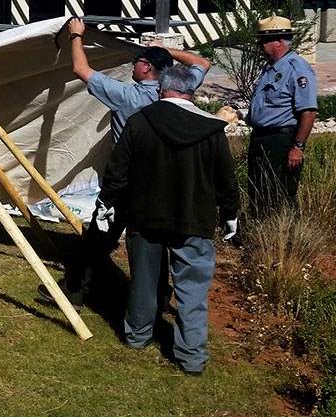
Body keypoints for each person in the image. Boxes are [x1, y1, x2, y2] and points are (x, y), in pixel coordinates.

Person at [40, 17, 211, 309]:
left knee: (99, 236)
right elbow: (202, 63)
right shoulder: (178, 91)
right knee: (153, 241)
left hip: (126, 182)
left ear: (145, 67)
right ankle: (158, 294)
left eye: (136, 62)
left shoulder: (128, 96)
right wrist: (164, 50)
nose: (132, 66)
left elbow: (81, 69)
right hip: (161, 182)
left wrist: (76, 36)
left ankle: (75, 291)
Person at [96, 64, 239, 375]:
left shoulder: (139, 122)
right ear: (192, 92)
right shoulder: (212, 128)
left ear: (161, 90)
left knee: (144, 282)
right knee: (192, 290)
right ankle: (191, 356)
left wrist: (105, 203)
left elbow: (117, 170)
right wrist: (230, 215)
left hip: (145, 217)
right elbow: (226, 179)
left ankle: (137, 336)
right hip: (194, 219)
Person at [245, 15, 317, 216]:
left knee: (281, 192)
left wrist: (298, 146)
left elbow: (309, 111)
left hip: (281, 139)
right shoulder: (270, 67)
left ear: (279, 42)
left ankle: (289, 241)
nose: (260, 45)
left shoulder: (297, 68)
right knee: (259, 189)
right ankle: (262, 238)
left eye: (264, 40)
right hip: (261, 138)